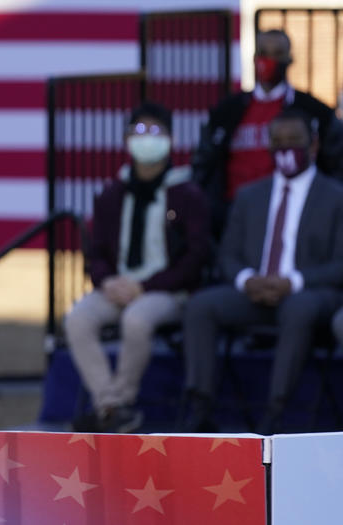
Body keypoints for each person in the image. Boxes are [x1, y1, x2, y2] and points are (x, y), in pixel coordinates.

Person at [182, 107, 343, 435]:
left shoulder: (336, 197)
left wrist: (292, 282)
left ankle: (275, 412)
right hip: (253, 292)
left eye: (294, 141)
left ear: (312, 145)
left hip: (308, 293)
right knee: (201, 306)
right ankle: (199, 408)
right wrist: (247, 279)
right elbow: (227, 255)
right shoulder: (249, 195)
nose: (286, 149)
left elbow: (340, 265)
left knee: (298, 309)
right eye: (278, 141)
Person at [64, 102, 211, 433]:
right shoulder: (112, 194)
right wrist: (107, 281)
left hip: (167, 290)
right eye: (139, 132)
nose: (147, 139)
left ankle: (121, 401)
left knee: (137, 319)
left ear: (170, 139)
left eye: (155, 132)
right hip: (118, 285)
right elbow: (95, 251)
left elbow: (196, 256)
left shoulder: (187, 194)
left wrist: (145, 287)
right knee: (78, 319)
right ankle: (111, 405)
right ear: (127, 140)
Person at [192, 29, 343, 237]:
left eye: (277, 53)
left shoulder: (315, 112)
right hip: (234, 216)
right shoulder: (226, 112)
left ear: (289, 60)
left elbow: (336, 164)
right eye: (263, 52)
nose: (268, 60)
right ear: (254, 58)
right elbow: (204, 165)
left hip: (296, 217)